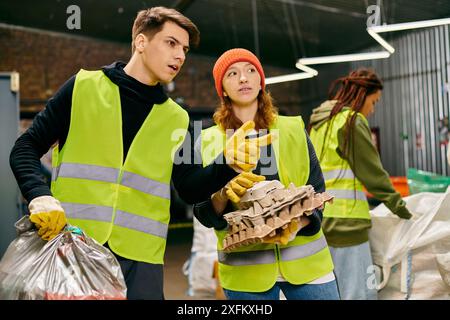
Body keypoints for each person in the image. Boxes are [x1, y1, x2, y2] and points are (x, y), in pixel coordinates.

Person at [9, 7, 267, 300]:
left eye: (184, 49)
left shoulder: (178, 119)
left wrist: (226, 165)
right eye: (171, 43)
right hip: (74, 244)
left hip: (142, 259)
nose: (180, 55)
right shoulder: (83, 88)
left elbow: (190, 188)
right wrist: (40, 196)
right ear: (141, 42)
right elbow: (24, 148)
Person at [192, 48, 340, 300]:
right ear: (223, 90)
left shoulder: (293, 129)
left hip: (308, 266)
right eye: (233, 73)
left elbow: (317, 190)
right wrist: (221, 195)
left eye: (251, 71)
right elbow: (202, 210)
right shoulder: (206, 141)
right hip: (246, 273)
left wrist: (294, 225)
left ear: (261, 82)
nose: (243, 78)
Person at [309, 68, 413, 300]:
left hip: (321, 221)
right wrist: (402, 209)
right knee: (358, 294)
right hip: (348, 226)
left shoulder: (318, 124)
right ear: (362, 95)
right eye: (373, 102)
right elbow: (373, 174)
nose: (372, 109)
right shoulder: (351, 122)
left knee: (333, 293)